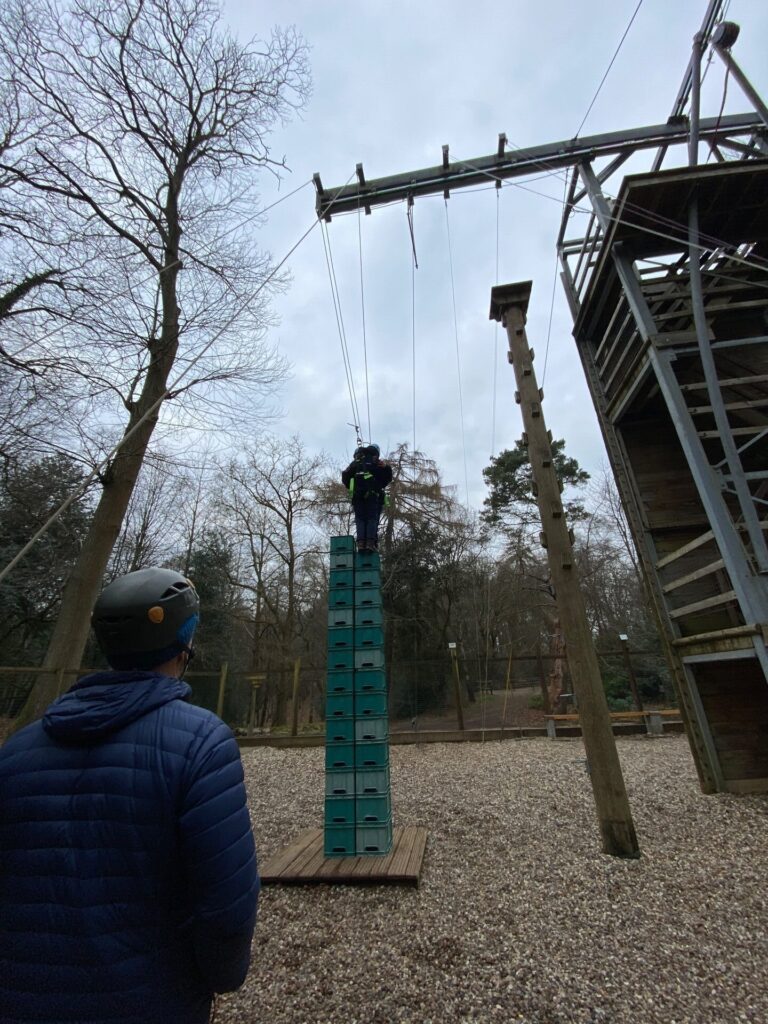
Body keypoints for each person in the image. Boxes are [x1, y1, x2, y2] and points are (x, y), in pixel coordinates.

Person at [0, 567, 259, 1024]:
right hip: (150, 1000)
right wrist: (218, 976)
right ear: (184, 642)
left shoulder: (16, 751)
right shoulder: (202, 743)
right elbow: (226, 908)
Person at [341, 443, 393, 552]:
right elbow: (387, 478)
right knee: (371, 518)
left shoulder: (355, 463)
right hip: (373, 496)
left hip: (358, 496)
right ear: (376, 453)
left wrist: (354, 487)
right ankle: (370, 543)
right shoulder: (376, 462)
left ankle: (361, 544)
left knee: (360, 519)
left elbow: (345, 476)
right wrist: (386, 468)